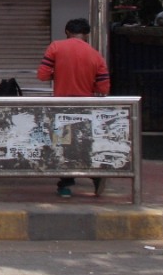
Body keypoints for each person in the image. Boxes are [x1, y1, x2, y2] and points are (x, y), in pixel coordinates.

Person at [37, 18, 111, 198]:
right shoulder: (96, 55)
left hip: (60, 108)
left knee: (62, 145)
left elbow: (42, 75)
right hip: (86, 108)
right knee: (84, 143)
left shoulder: (55, 47)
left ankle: (65, 185)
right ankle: (95, 174)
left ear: (67, 32)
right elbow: (103, 87)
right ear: (86, 35)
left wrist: (60, 73)